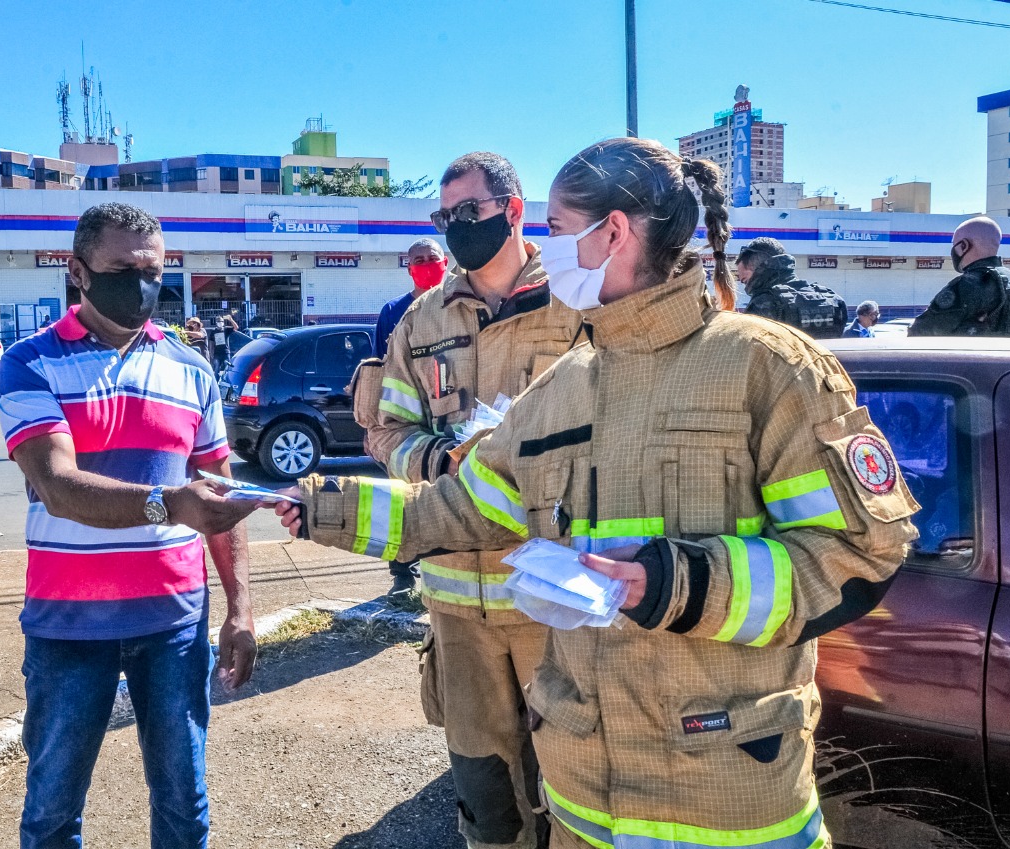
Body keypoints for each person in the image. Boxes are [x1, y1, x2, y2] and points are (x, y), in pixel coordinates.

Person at [275, 138, 918, 849]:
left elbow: (857, 553)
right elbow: (458, 508)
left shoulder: (769, 369)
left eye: (554, 230)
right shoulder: (561, 389)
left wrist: (678, 582)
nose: (546, 252)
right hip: (588, 808)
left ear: (612, 231)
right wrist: (315, 506)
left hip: (729, 799)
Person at [0, 202, 261, 849]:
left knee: (183, 802)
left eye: (154, 270)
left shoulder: (190, 369)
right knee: (53, 810)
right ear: (78, 272)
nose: (142, 284)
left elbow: (218, 496)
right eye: (123, 268)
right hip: (69, 626)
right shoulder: (30, 364)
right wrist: (171, 503)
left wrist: (241, 604)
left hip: (172, 623)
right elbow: (57, 486)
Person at [357, 152, 584, 849]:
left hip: (554, 595)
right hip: (457, 602)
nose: (455, 228)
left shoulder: (580, 302)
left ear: (514, 211)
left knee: (575, 789)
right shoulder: (421, 320)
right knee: (486, 798)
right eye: (443, 217)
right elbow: (384, 425)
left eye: (468, 213)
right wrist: (435, 458)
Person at [369, 237, 449, 595]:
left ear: (445, 261)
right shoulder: (392, 312)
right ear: (407, 266)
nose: (425, 264)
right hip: (403, 425)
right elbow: (377, 372)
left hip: (448, 420)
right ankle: (402, 571)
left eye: (431, 258)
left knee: (444, 497)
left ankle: (440, 568)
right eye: (417, 260)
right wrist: (373, 426)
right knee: (400, 496)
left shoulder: (458, 304)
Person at [909, 216, 1010, 337]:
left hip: (972, 360)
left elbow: (921, 331)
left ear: (963, 246)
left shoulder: (969, 284)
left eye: (955, 244)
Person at [736, 237, 847, 338]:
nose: (746, 287)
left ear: (758, 269)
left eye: (745, 281)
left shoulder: (763, 304)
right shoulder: (834, 300)